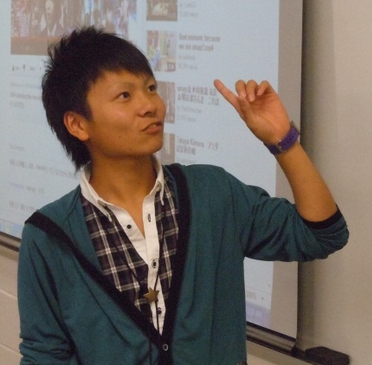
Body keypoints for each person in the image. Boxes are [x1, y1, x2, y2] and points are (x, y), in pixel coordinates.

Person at [18, 26, 349, 365]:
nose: (150, 106)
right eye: (125, 96)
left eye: (150, 88)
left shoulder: (212, 193)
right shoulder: (48, 236)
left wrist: (283, 140)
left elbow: (321, 234)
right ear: (77, 124)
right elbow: (44, 356)